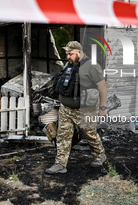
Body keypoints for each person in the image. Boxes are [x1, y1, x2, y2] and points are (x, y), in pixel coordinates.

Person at [45, 41, 107, 174]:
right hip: (65, 109)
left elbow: (102, 86)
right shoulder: (69, 64)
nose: (68, 57)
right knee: (62, 135)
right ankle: (60, 164)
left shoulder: (92, 66)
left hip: (84, 110)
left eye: (70, 54)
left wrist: (103, 108)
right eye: (67, 54)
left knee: (90, 134)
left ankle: (100, 156)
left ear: (79, 52)